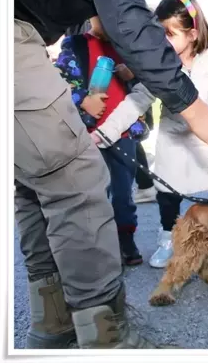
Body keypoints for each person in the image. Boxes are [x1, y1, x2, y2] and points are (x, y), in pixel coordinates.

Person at [14, 0, 208, 349]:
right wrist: (194, 108)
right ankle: (107, 338)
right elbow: (125, 14)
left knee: (35, 180)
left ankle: (53, 325)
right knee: (75, 178)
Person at [149, 0, 208, 268]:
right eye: (159, 32)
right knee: (168, 193)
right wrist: (110, 127)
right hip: (173, 141)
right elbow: (139, 97)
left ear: (192, 34)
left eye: (169, 33)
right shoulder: (160, 63)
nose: (162, 40)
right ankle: (169, 239)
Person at [53, 16, 151, 267]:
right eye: (102, 16)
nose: (110, 22)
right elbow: (59, 81)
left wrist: (131, 74)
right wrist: (83, 100)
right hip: (88, 133)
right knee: (93, 192)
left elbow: (145, 85)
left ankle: (125, 237)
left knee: (122, 192)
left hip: (123, 134)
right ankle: (97, 244)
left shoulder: (126, 48)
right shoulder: (75, 45)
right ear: (91, 17)